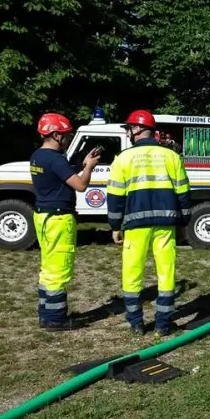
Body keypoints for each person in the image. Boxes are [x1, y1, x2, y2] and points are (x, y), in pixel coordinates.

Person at [107, 109, 192, 337]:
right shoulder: (171, 157)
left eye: (130, 129)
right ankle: (163, 324)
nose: (129, 133)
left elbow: (115, 196)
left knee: (132, 273)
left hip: (135, 226)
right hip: (165, 224)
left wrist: (115, 226)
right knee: (166, 272)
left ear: (136, 129)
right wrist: (184, 222)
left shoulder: (123, 158)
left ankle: (136, 324)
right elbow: (183, 193)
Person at [30, 113, 101, 331]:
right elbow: (80, 185)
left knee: (48, 266)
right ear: (55, 135)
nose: (68, 138)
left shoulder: (37, 156)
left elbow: (60, 179)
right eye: (66, 135)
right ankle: (56, 319)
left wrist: (80, 164)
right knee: (59, 269)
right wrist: (89, 167)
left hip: (42, 216)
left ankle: (46, 313)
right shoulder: (55, 159)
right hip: (59, 219)